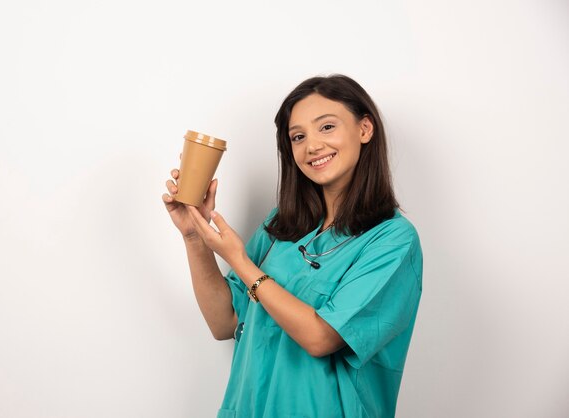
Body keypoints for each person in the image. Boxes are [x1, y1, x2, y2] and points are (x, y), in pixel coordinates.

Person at [162, 74, 423, 418]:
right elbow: (223, 322)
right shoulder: (282, 225)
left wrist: (240, 260)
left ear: (364, 129)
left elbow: (321, 338)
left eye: (326, 127)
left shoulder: (392, 240)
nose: (311, 146)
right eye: (297, 136)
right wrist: (194, 236)